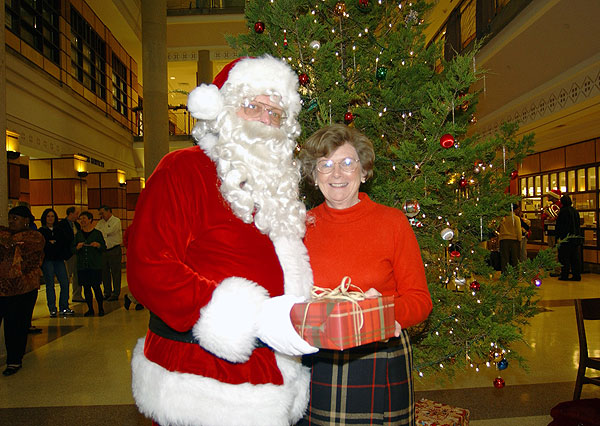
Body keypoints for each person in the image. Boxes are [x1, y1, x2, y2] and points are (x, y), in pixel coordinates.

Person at [126, 55, 318, 426]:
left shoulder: (278, 187)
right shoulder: (183, 169)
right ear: (223, 110)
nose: (265, 119)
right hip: (201, 382)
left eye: (275, 113)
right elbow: (149, 267)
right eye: (252, 106)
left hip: (274, 374)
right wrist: (237, 313)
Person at [298, 124, 433, 425]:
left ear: (363, 171)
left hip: (379, 358)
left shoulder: (393, 222)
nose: (336, 174)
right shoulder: (299, 227)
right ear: (314, 175)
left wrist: (381, 312)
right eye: (326, 164)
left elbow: (420, 301)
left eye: (347, 163)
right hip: (318, 359)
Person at [0, 206, 45, 376]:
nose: (12, 221)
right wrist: (9, 243)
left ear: (26, 220)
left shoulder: (35, 237)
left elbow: (16, 249)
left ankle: (14, 360)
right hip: (3, 289)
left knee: (16, 326)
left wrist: (9, 244)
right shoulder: (6, 234)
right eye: (10, 218)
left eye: (16, 218)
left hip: (23, 289)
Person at [38, 208, 74, 317]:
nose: (50, 218)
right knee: (50, 284)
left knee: (64, 282)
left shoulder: (59, 230)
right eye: (48, 216)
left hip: (59, 260)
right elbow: (43, 245)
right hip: (47, 260)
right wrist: (50, 244)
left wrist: (54, 243)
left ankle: (64, 306)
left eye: (52, 216)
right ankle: (52, 308)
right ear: (45, 218)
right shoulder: (41, 231)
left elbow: (63, 243)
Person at [74, 211, 106, 316]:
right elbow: (72, 249)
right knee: (86, 288)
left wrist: (98, 245)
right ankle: (90, 309)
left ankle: (101, 308)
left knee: (96, 287)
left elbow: (103, 247)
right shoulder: (78, 234)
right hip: (82, 265)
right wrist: (77, 247)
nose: (82, 221)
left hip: (94, 265)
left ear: (90, 220)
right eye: (80, 219)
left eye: (84, 218)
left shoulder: (97, 233)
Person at [95, 205, 122, 301]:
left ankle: (116, 293)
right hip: (103, 250)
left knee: (115, 272)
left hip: (114, 249)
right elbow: (97, 233)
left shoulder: (116, 221)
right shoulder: (100, 223)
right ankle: (107, 292)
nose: (101, 215)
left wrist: (103, 233)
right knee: (104, 272)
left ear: (109, 211)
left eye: (103, 213)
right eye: (100, 214)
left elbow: (109, 231)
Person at [58, 207, 83, 302]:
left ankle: (77, 295)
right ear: (71, 214)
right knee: (67, 276)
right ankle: (64, 298)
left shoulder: (77, 225)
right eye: (76, 214)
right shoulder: (61, 225)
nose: (78, 216)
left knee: (77, 275)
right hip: (67, 254)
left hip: (77, 253)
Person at [556, 194, 582, 281]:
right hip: (575, 238)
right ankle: (576, 275)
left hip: (565, 238)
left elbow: (560, 226)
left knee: (564, 258)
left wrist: (558, 237)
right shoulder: (575, 211)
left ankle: (565, 275)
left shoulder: (563, 211)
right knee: (574, 258)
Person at [498, 203, 522, 274]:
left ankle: (504, 273)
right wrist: (519, 239)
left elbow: (500, 228)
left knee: (504, 258)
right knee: (515, 258)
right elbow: (518, 230)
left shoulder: (503, 218)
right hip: (514, 239)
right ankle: (516, 274)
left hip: (503, 239)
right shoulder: (516, 218)